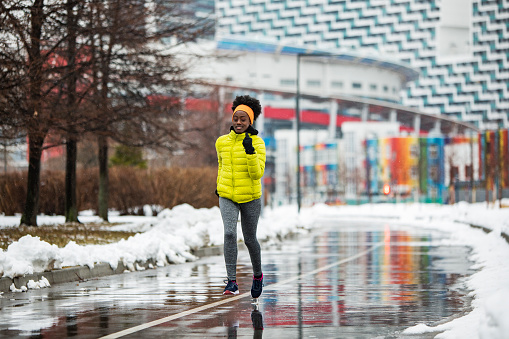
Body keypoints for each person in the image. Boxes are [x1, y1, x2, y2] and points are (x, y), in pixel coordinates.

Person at [215, 95, 266, 298]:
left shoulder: (258, 143)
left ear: (250, 121)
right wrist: (219, 187)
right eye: (236, 118)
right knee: (229, 233)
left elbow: (257, 174)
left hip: (251, 197)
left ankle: (257, 275)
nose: (238, 122)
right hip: (227, 195)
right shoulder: (221, 142)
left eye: (243, 119)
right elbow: (222, 166)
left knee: (250, 238)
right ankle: (232, 282)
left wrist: (250, 152)